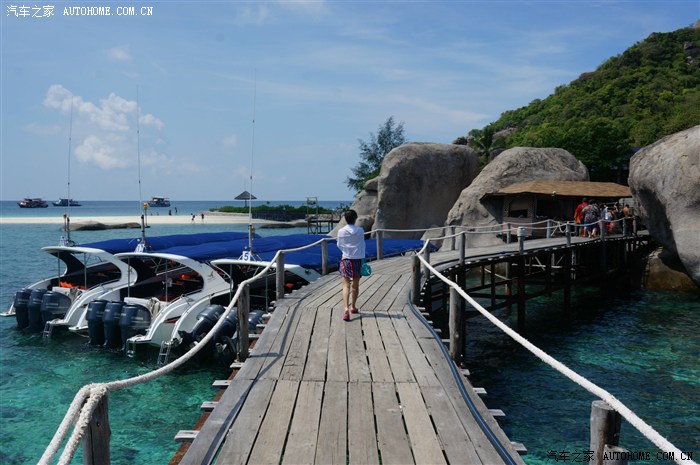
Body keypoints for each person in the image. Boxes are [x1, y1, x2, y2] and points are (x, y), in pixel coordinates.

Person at [336, 209, 365, 321]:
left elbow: (339, 245)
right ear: (355, 219)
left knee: (345, 286)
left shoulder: (341, 231)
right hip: (357, 260)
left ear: (345, 219)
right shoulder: (360, 231)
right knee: (355, 286)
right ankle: (353, 307)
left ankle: (345, 309)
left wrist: (346, 252)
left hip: (346, 259)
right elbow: (361, 244)